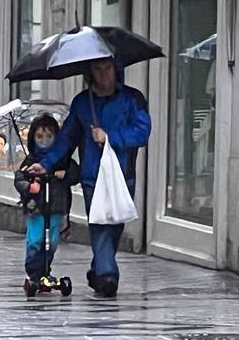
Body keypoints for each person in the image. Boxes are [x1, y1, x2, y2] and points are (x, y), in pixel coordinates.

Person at [27, 58, 150, 297]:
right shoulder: (83, 103)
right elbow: (67, 138)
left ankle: (98, 269)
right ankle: (107, 276)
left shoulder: (133, 99)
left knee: (114, 225)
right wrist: (45, 163)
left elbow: (142, 132)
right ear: (90, 72)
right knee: (100, 225)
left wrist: (110, 136)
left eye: (107, 68)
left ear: (116, 70)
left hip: (122, 175)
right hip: (93, 176)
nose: (103, 74)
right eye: (97, 68)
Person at [14, 114, 80, 292]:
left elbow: (75, 174)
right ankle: (34, 273)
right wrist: (29, 186)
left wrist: (64, 174)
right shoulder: (30, 161)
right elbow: (19, 178)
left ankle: (45, 270)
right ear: (33, 139)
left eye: (49, 137)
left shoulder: (62, 161)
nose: (44, 141)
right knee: (35, 240)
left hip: (56, 207)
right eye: (40, 137)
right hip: (36, 208)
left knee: (51, 241)